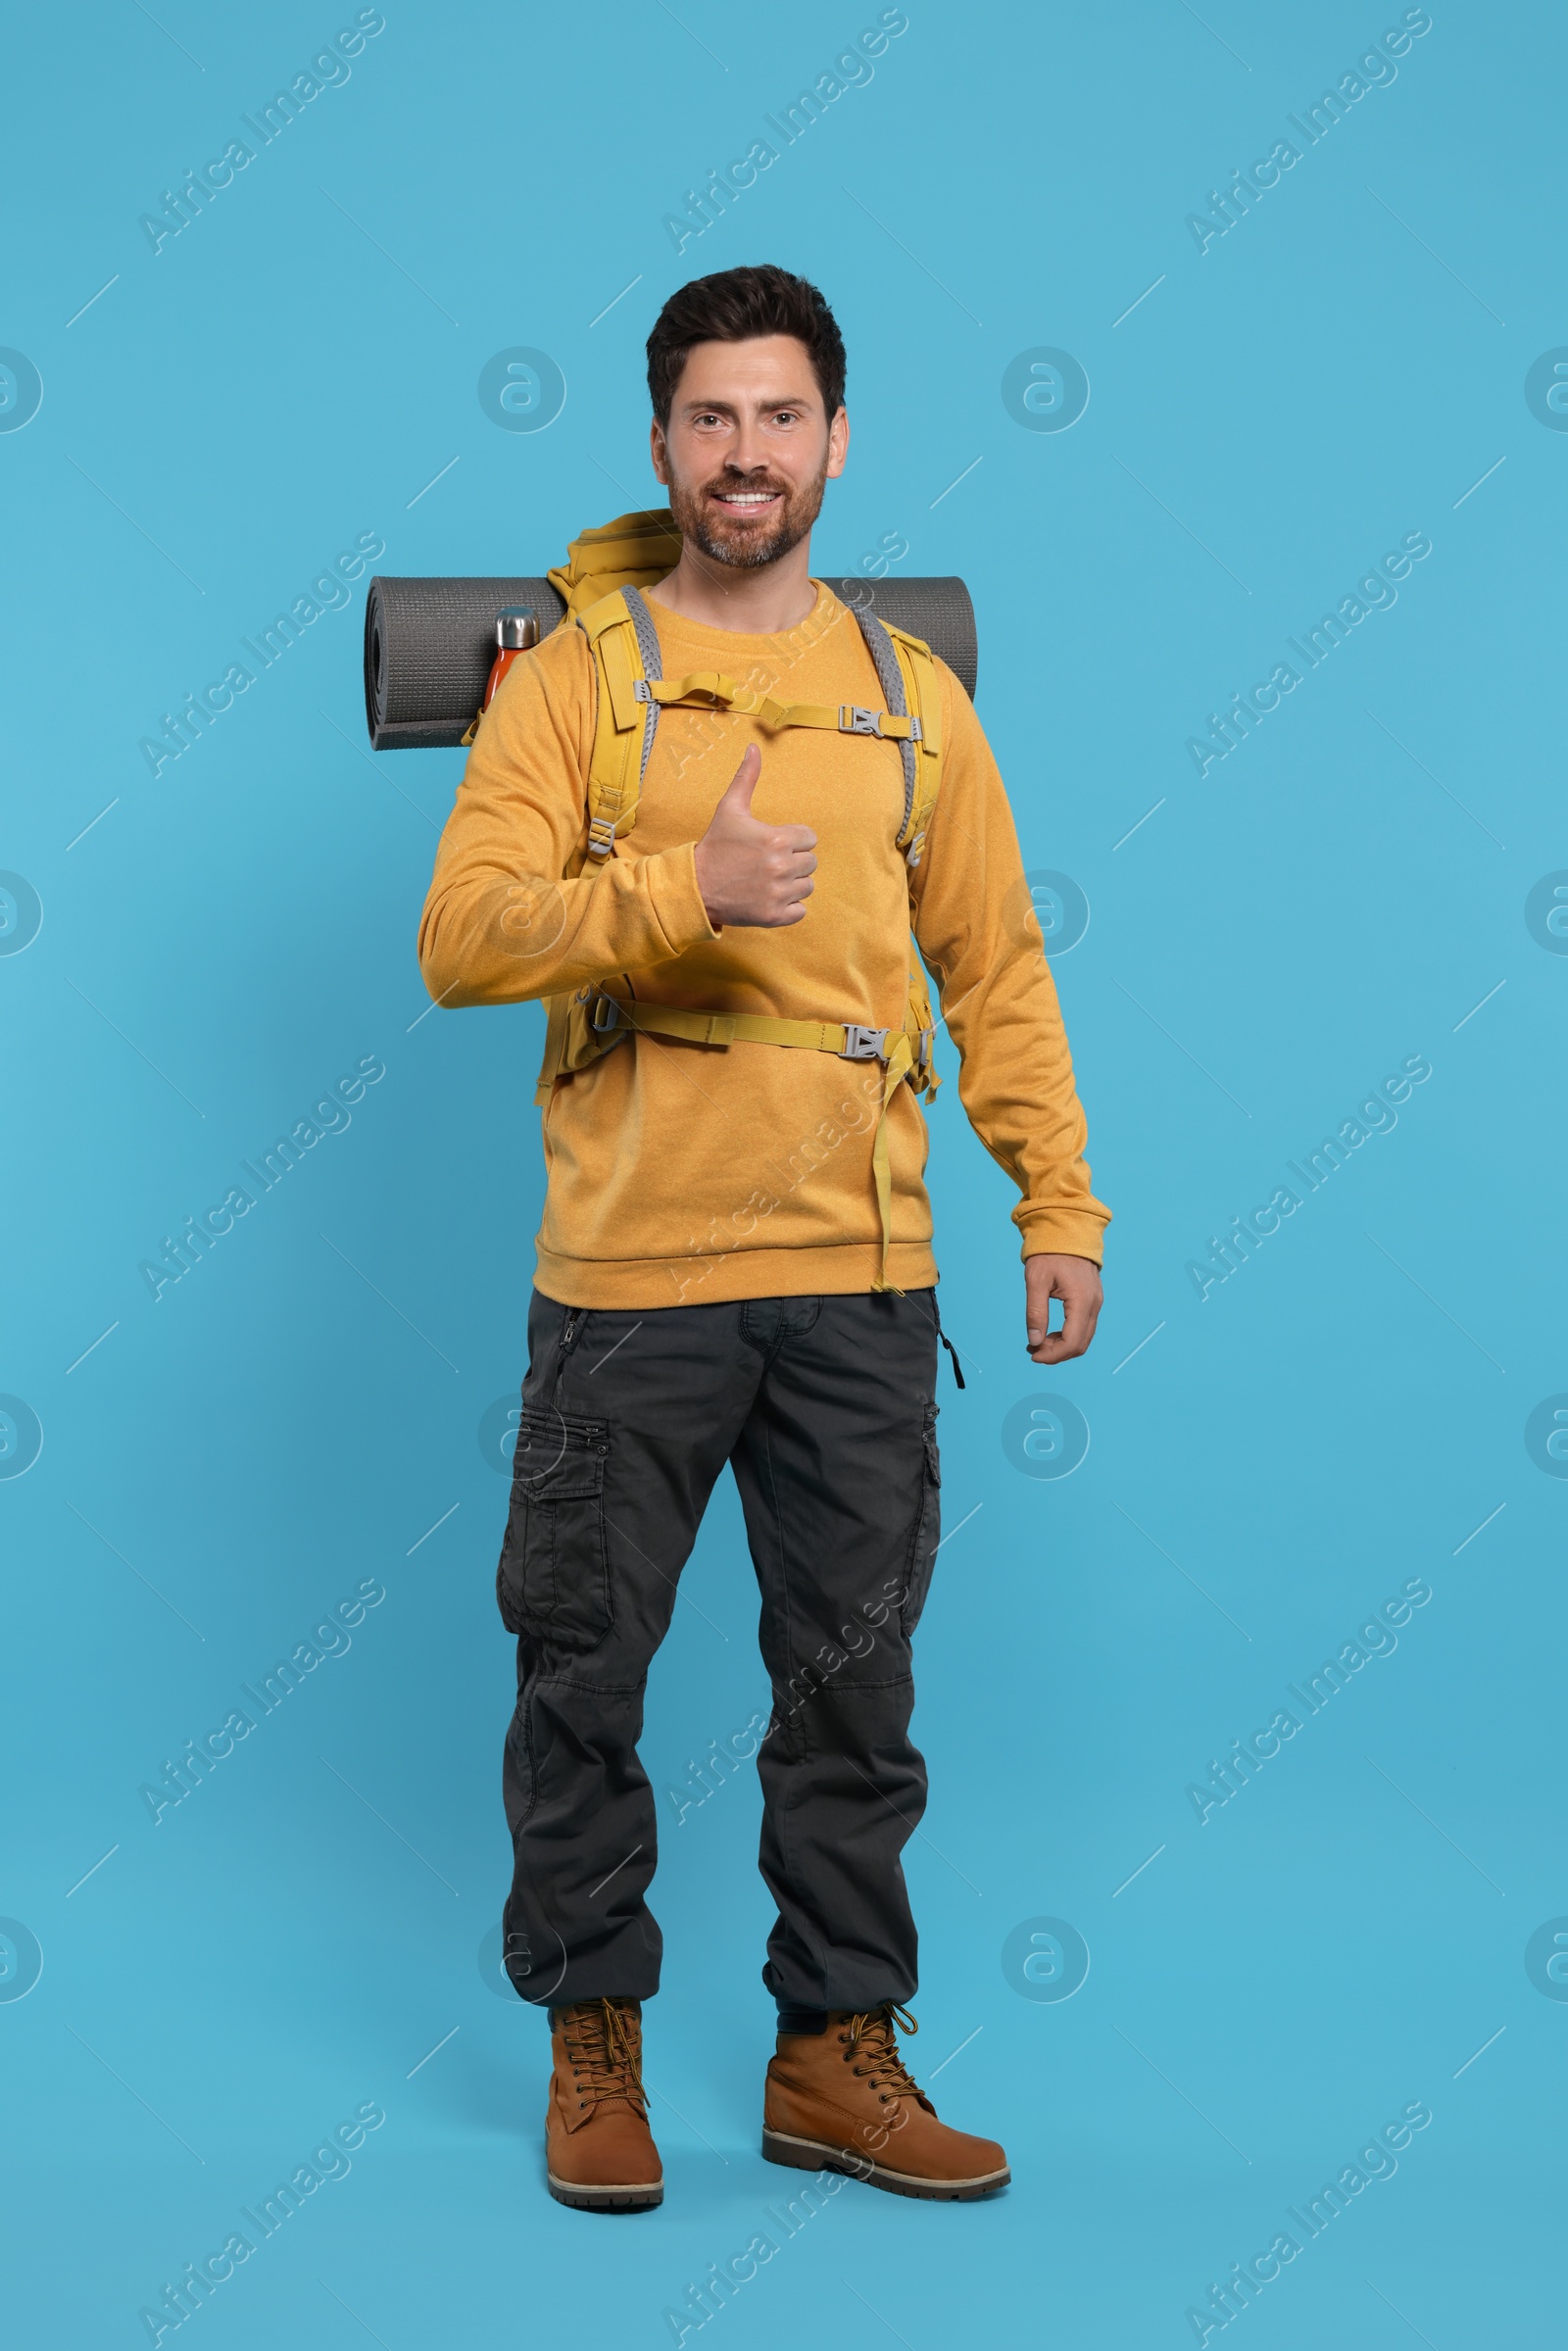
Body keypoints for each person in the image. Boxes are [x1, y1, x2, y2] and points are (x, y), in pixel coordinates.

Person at [417, 264, 1108, 2213]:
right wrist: (670, 889)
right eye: (710, 418)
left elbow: (998, 966)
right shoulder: (574, 681)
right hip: (630, 1286)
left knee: (853, 1701)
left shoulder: (910, 700)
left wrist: (1052, 1197)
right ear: (660, 444)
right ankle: (590, 2045)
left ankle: (833, 2055)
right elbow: (460, 935)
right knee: (582, 1681)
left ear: (833, 440)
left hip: (865, 1286)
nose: (745, 451)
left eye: (779, 415)